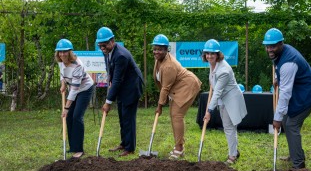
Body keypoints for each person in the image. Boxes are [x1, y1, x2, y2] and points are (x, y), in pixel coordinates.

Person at [263, 28, 311, 169]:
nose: (270, 49)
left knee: (291, 124)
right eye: (267, 46)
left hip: (308, 94)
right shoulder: (281, 53)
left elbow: (285, 94)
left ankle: (298, 165)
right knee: (286, 120)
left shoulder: (289, 63)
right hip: (299, 90)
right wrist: (278, 77)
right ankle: (295, 153)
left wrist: (276, 118)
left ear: (281, 43)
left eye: (273, 46)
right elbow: (281, 70)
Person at [152, 34, 202, 159]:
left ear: (166, 49)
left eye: (160, 49)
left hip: (187, 86)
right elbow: (161, 82)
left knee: (177, 115)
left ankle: (179, 148)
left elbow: (165, 87)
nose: (157, 51)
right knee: (173, 115)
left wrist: (160, 106)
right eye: (155, 48)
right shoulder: (158, 60)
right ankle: (178, 145)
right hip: (177, 88)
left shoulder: (169, 65)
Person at [96, 27, 144, 157]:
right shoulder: (106, 52)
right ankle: (124, 143)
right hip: (123, 85)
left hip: (131, 86)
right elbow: (110, 70)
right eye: (100, 45)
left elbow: (117, 80)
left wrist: (108, 102)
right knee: (122, 116)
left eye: (104, 45)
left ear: (112, 41)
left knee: (128, 118)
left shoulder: (121, 55)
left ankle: (130, 147)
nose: (102, 48)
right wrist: (109, 80)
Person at [202, 39, 247, 165]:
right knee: (229, 127)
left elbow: (217, 92)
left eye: (212, 54)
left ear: (218, 54)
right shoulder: (213, 65)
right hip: (223, 99)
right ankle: (235, 151)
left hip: (230, 99)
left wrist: (209, 111)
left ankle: (232, 156)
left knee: (228, 127)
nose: (209, 56)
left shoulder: (224, 70)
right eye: (207, 53)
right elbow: (215, 86)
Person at [55, 39, 94, 158]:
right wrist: (63, 84)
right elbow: (62, 74)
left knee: (77, 116)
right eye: (60, 52)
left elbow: (74, 90)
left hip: (85, 89)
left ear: (70, 52)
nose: (62, 54)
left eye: (65, 52)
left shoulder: (77, 65)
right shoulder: (60, 61)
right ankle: (73, 147)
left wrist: (66, 108)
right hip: (73, 88)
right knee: (69, 118)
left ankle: (79, 149)